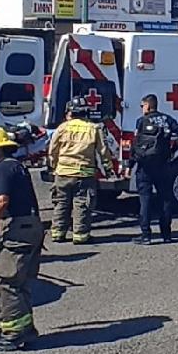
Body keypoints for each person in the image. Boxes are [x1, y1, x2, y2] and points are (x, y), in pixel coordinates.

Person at [0, 126, 43, 351]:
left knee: (5, 281)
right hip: (26, 227)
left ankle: (15, 332)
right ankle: (19, 325)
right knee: (1, 279)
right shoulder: (13, 166)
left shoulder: (4, 168)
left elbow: (1, 201)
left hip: (20, 229)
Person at [46, 97, 115, 245]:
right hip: (84, 174)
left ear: (70, 112)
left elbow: (53, 150)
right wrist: (108, 169)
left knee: (61, 203)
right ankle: (80, 235)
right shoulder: (93, 128)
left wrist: (54, 166)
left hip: (63, 173)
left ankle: (58, 233)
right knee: (82, 204)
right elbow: (103, 151)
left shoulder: (62, 128)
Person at [127, 94, 178, 245]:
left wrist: (130, 165)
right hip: (164, 165)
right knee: (165, 199)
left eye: (142, 106)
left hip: (145, 166)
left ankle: (146, 235)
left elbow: (136, 145)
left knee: (145, 200)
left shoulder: (141, 121)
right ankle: (166, 234)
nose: (141, 108)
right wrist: (173, 149)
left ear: (147, 105)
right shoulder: (167, 119)